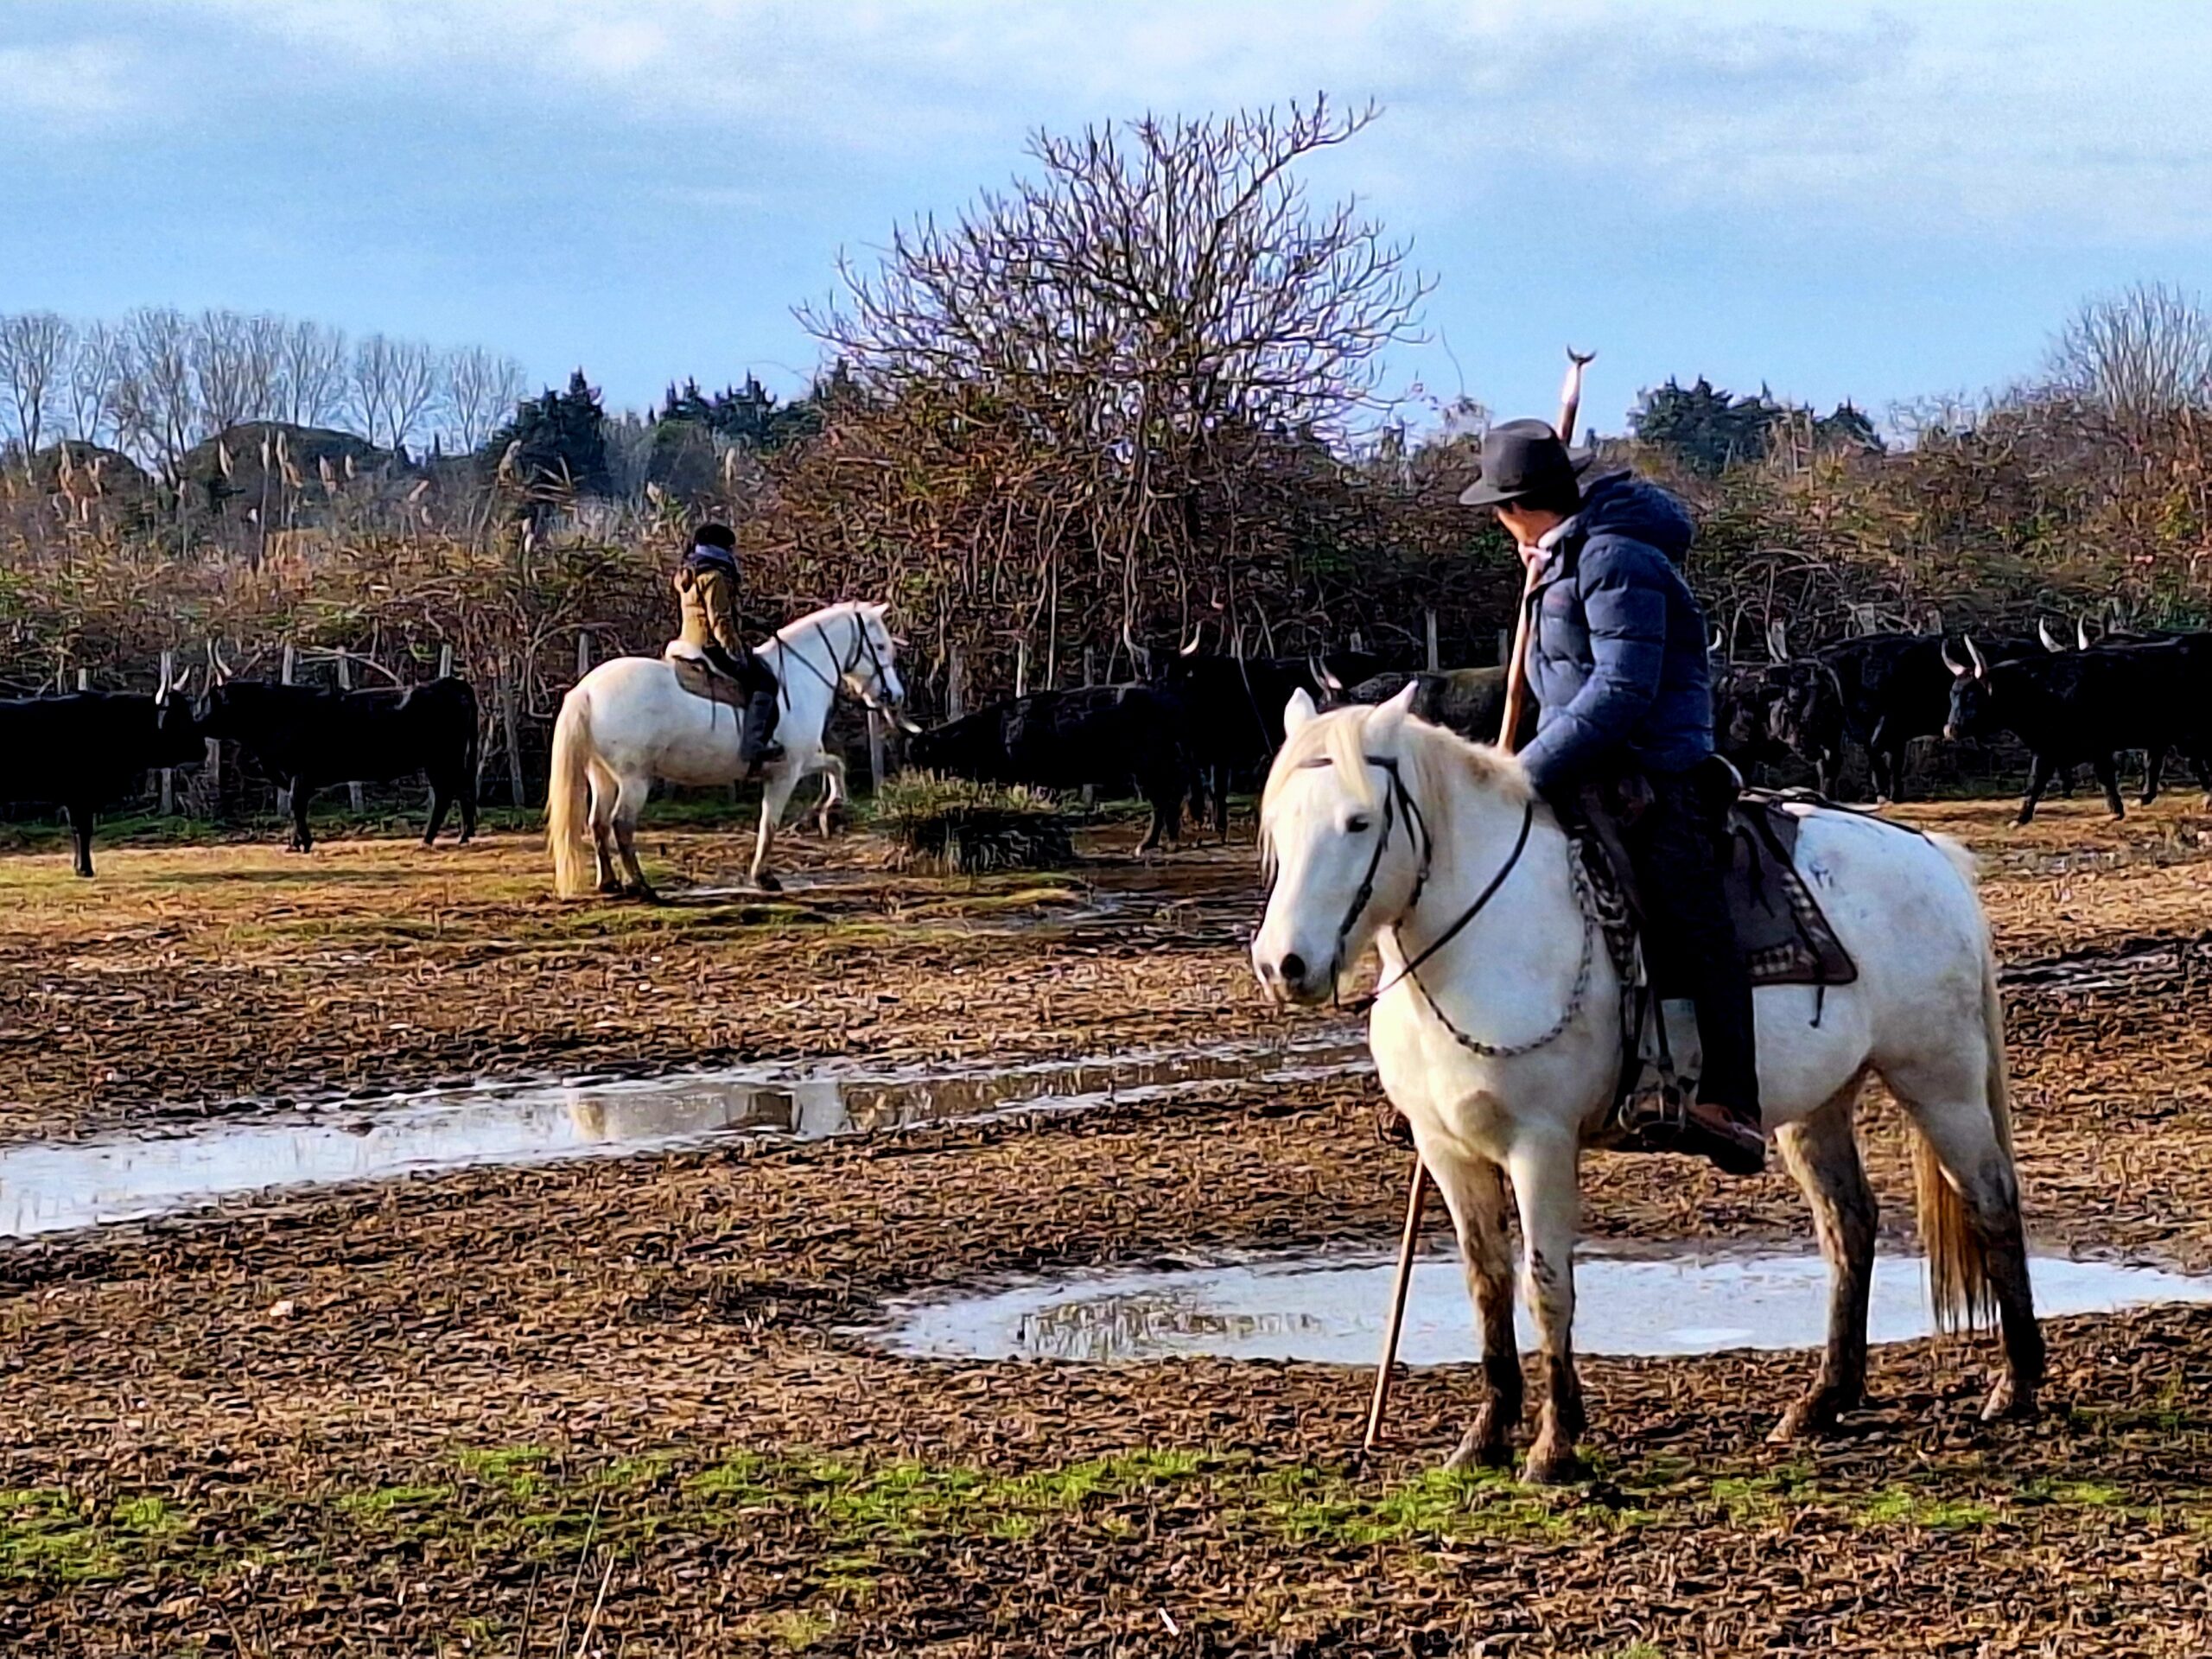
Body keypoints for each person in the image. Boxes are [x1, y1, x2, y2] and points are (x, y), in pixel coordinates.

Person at [1459, 419, 1764, 1175]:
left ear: (1518, 507)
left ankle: (1732, 1098)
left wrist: (1526, 772)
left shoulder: (1615, 560)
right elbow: (1558, 684)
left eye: (1499, 511)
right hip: (1580, 764)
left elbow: (1622, 690)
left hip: (1654, 770)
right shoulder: (1557, 563)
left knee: (1692, 918)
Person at [668, 523, 782, 770]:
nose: (733, 553)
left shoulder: (690, 571)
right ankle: (753, 745)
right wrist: (736, 652)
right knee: (765, 682)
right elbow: (720, 621)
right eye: (730, 547)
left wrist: (756, 622)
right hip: (710, 646)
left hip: (688, 640)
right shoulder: (715, 577)